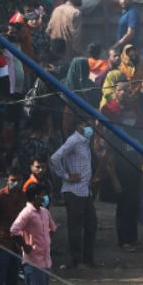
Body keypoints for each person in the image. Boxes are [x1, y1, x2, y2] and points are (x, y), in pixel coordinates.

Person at [10, 182, 57, 285]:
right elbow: (14, 230)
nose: (45, 197)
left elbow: (52, 228)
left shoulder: (44, 212)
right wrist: (25, 245)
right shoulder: (27, 213)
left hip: (46, 261)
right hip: (34, 262)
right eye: (43, 194)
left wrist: (46, 241)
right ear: (36, 197)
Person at [51, 114, 96, 267]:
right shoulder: (74, 140)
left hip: (85, 190)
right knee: (75, 227)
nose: (90, 128)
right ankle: (77, 260)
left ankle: (88, 259)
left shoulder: (85, 141)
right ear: (79, 127)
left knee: (91, 224)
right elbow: (55, 158)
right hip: (74, 191)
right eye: (87, 125)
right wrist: (66, 176)